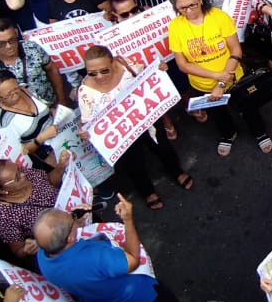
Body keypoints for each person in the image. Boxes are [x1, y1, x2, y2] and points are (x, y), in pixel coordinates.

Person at [35, 199, 195, 302]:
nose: (73, 217)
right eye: (71, 219)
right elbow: (133, 260)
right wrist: (128, 220)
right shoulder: (95, 256)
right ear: (69, 238)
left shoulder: (43, 257)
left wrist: (78, 223)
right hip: (143, 299)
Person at [79, 45, 192, 210]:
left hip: (147, 121)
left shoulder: (125, 65)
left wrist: (160, 68)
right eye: (92, 73)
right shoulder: (85, 93)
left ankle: (176, 171)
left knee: (162, 146)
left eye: (104, 70)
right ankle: (147, 191)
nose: (99, 76)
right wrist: (86, 132)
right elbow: (88, 122)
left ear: (113, 62)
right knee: (134, 163)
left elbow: (146, 74)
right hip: (122, 135)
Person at [168, 0, 271, 155]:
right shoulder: (175, 27)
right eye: (182, 8)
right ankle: (228, 134)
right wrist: (216, 76)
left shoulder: (219, 17)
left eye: (192, 5)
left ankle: (259, 132)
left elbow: (236, 51)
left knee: (248, 108)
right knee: (218, 114)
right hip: (203, 85)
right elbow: (183, 65)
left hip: (233, 77)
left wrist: (222, 83)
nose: (188, 11)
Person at [0, 18, 65, 114]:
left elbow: (52, 69)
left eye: (12, 40)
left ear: (16, 33)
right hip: (22, 116)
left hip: (50, 106)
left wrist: (61, 100)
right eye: (1, 44)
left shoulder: (32, 47)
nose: (9, 46)